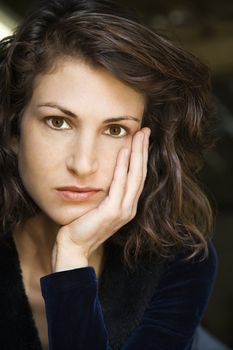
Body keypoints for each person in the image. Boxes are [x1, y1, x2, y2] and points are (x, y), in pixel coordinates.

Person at [0, 0, 218, 349]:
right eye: (58, 122)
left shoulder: (180, 262)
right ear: (13, 130)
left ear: (149, 146)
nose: (83, 164)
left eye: (115, 130)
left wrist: (72, 258)